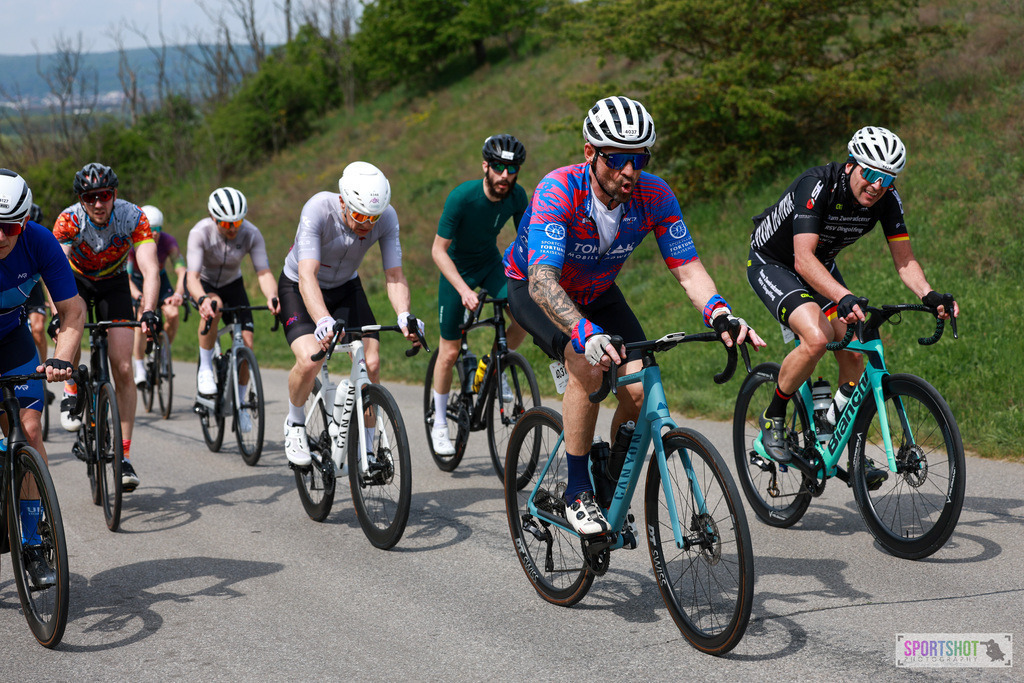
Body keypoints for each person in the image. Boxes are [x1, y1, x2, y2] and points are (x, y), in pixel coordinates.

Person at [503, 96, 764, 536]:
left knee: (641, 387)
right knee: (586, 366)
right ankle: (578, 492)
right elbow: (543, 279)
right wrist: (583, 331)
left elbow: (687, 268)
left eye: (639, 158)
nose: (629, 170)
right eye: (618, 158)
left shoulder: (654, 194)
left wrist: (719, 312)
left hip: (599, 291)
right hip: (536, 289)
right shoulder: (559, 190)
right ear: (591, 153)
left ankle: (611, 481)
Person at [747, 126, 958, 487]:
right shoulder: (817, 185)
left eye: (887, 179)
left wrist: (930, 295)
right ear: (851, 165)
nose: (877, 186)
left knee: (855, 351)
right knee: (817, 338)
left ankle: (833, 430)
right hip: (776, 262)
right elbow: (802, 259)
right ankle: (773, 416)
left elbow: (905, 261)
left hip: (821, 266)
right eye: (871, 174)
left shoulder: (887, 200)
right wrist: (841, 296)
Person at [277, 161, 424, 467]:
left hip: (346, 286)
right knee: (309, 359)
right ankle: (294, 423)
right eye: (358, 216)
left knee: (371, 362)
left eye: (373, 217)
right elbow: (307, 276)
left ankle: (367, 451)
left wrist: (404, 314)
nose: (366, 225)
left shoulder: (387, 218)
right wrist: (323, 320)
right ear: (343, 201)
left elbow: (395, 275)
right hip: (299, 286)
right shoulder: (318, 209)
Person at [0, 169, 86, 587]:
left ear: (25, 222)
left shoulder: (39, 241)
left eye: (10, 226)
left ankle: (34, 541)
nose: (1, 236)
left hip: (12, 339)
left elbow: (72, 311)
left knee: (30, 430)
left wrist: (62, 359)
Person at [53, 162, 161, 491]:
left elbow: (150, 266)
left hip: (115, 284)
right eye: (90, 197)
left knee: (124, 366)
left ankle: (123, 456)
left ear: (114, 194)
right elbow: (54, 270)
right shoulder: (69, 219)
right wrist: (59, 312)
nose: (99, 204)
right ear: (81, 199)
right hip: (77, 284)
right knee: (69, 331)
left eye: (105, 195)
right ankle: (72, 387)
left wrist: (149, 310)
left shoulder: (133, 216)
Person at [429, 134, 530, 455]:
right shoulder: (463, 197)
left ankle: (493, 364)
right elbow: (438, 250)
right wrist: (462, 289)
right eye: (498, 167)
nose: (505, 175)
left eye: (511, 169)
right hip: (457, 270)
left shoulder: (517, 196)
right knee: (449, 351)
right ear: (486, 166)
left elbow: (530, 240)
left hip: (490, 264)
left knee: (525, 318)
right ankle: (440, 423)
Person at [185, 187, 280, 434]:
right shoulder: (200, 232)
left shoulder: (251, 234)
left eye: (237, 221)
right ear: (213, 217)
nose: (232, 228)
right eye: (225, 223)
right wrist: (203, 299)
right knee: (214, 308)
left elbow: (263, 272)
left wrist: (272, 296)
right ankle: (206, 368)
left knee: (246, 344)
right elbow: (191, 277)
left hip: (233, 284)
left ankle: (242, 406)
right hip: (205, 284)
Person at [128, 204, 188, 387]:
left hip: (159, 281)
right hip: (137, 282)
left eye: (158, 230)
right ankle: (139, 366)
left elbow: (181, 269)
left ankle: (162, 351)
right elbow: (127, 276)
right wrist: (139, 296)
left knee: (173, 313)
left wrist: (178, 293)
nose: (154, 234)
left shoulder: (168, 241)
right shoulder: (133, 243)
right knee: (140, 323)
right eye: (151, 229)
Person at [24, 204, 57, 410]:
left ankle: (41, 368)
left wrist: (52, 304)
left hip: (34, 290)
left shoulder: (41, 241)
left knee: (37, 329)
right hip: (14, 288)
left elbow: (48, 278)